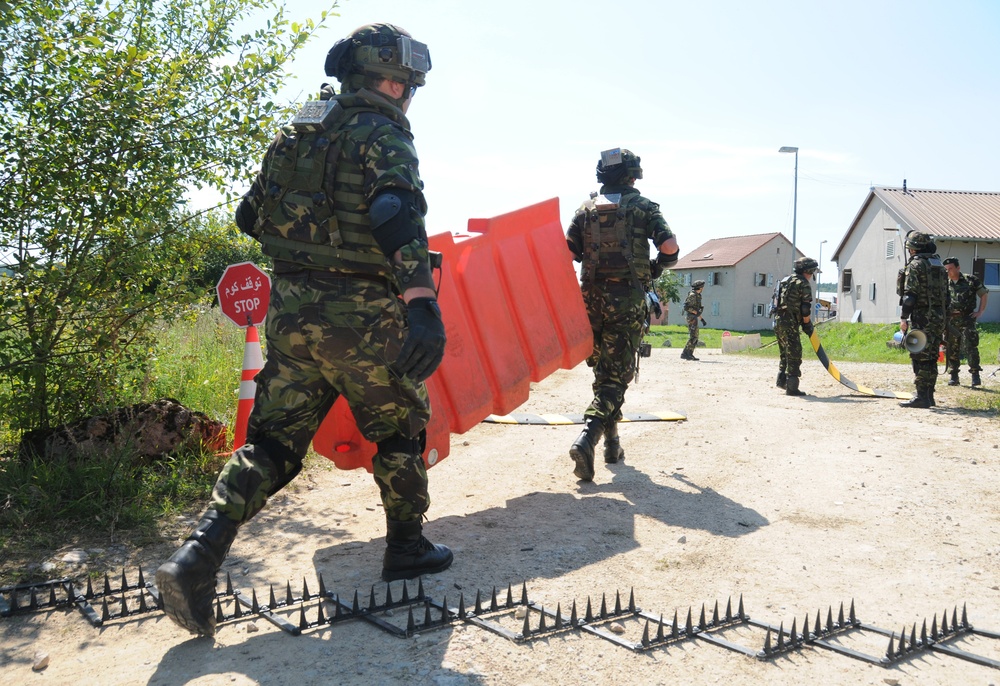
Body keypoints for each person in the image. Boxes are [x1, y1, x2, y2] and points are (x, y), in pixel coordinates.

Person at [156, 23, 452, 636]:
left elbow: (247, 213)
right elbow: (395, 209)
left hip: (291, 315)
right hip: (365, 315)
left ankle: (196, 555)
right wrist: (422, 300)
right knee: (399, 429)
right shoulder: (384, 130)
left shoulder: (297, 130)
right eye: (408, 84)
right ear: (393, 81)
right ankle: (406, 548)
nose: (409, 95)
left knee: (271, 443)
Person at [565, 148, 679, 481]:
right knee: (617, 376)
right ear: (633, 176)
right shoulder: (643, 208)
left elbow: (567, 251)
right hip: (626, 301)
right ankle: (588, 437)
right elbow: (669, 247)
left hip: (589, 302)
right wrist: (657, 267)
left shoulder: (585, 209)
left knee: (605, 374)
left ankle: (612, 445)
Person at [897, 231, 948, 408]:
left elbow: (910, 296)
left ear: (913, 249)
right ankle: (929, 395)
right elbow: (947, 296)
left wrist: (904, 317)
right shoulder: (939, 265)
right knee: (932, 355)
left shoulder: (916, 265)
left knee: (920, 356)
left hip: (922, 317)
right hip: (938, 317)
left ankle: (922, 397)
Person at [773, 257, 817, 396]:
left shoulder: (786, 280)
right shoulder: (803, 283)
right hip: (790, 322)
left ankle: (781, 381)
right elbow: (805, 308)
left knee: (784, 352)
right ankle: (792, 387)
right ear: (808, 270)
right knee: (794, 353)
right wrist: (807, 323)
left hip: (778, 320)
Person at [943, 257, 988, 387]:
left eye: (950, 268)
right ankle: (954, 376)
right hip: (951, 320)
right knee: (951, 347)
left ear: (958, 268)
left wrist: (980, 312)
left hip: (967, 318)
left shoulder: (970, 280)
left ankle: (975, 375)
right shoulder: (944, 282)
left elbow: (984, 294)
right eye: (946, 269)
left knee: (970, 346)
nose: (948, 271)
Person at [681, 280, 706, 360]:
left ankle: (686, 353)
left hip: (693, 317)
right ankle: (688, 354)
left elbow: (696, 310)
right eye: (702, 287)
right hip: (691, 317)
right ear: (700, 287)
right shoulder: (693, 295)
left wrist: (702, 319)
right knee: (694, 336)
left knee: (694, 336)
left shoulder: (697, 295)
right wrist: (694, 311)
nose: (703, 288)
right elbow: (686, 307)